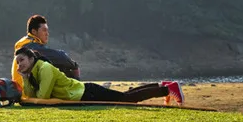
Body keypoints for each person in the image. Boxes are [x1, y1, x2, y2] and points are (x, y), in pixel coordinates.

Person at [14, 46, 184, 105]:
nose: (19, 65)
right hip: (82, 94)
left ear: (31, 58)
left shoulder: (44, 68)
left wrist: (30, 85)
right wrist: (25, 77)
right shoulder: (33, 73)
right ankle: (163, 86)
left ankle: (167, 89)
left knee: (127, 100)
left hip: (86, 93)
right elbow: (30, 95)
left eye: (22, 60)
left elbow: (42, 96)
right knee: (125, 97)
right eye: (17, 63)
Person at [12, 15, 79, 91]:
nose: (47, 33)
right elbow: (61, 57)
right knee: (64, 68)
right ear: (34, 31)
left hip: (23, 89)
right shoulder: (30, 46)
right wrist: (74, 66)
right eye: (44, 30)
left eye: (47, 30)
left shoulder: (25, 43)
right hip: (27, 91)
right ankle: (76, 91)